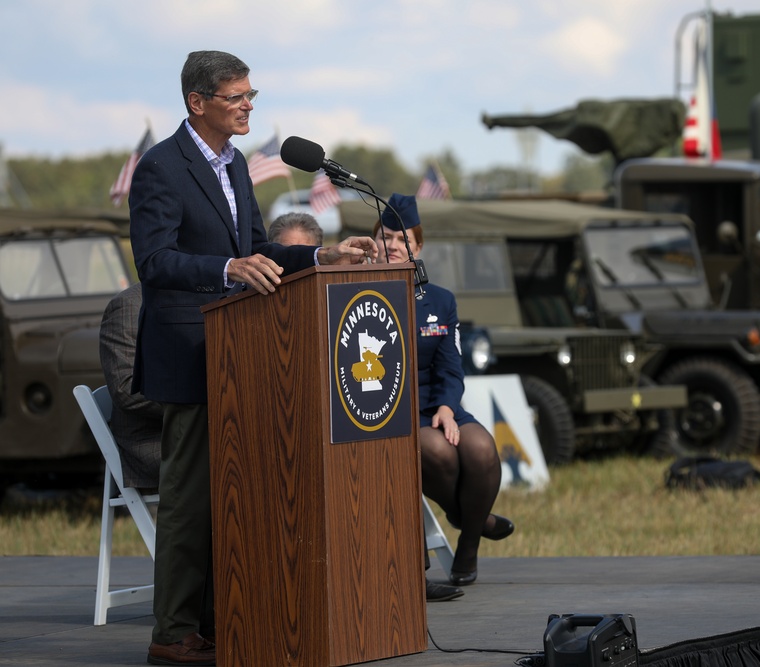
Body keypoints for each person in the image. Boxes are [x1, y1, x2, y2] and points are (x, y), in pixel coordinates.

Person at [129, 50, 378, 666]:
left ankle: (224, 618)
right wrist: (225, 268)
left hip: (243, 354)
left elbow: (261, 250)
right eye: (236, 96)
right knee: (191, 497)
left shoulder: (237, 165)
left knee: (238, 493)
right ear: (198, 103)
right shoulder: (161, 167)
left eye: (251, 95)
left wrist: (324, 259)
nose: (248, 105)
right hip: (190, 353)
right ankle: (173, 631)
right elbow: (154, 262)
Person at [268, 209, 464, 603]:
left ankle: (406, 576)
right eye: (286, 255)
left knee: (388, 451)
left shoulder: (343, 294)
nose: (294, 265)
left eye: (305, 255)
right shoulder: (249, 304)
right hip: (286, 425)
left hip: (347, 415)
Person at [373, 193, 514, 588]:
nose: (393, 246)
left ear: (418, 248)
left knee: (481, 449)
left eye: (403, 240)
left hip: (436, 403)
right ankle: (474, 516)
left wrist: (448, 408)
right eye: (386, 236)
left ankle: (468, 546)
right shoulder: (353, 290)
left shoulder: (439, 301)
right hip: (389, 410)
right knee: (437, 452)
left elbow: (451, 366)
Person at [98, 282, 162, 491]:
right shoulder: (129, 305)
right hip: (153, 441)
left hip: (198, 432)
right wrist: (204, 402)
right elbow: (126, 390)